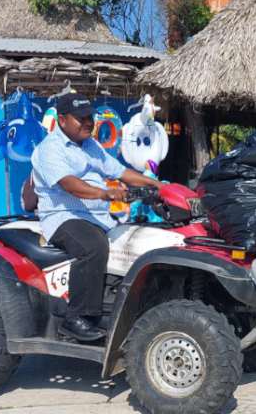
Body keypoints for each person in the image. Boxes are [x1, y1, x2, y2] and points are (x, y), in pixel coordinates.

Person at [32, 93, 164, 342]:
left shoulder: (91, 146)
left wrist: (159, 185)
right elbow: (70, 184)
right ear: (62, 120)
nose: (88, 122)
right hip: (64, 217)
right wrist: (105, 193)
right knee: (92, 247)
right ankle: (76, 318)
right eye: (80, 118)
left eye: (89, 117)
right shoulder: (50, 149)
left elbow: (121, 172)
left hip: (98, 217)